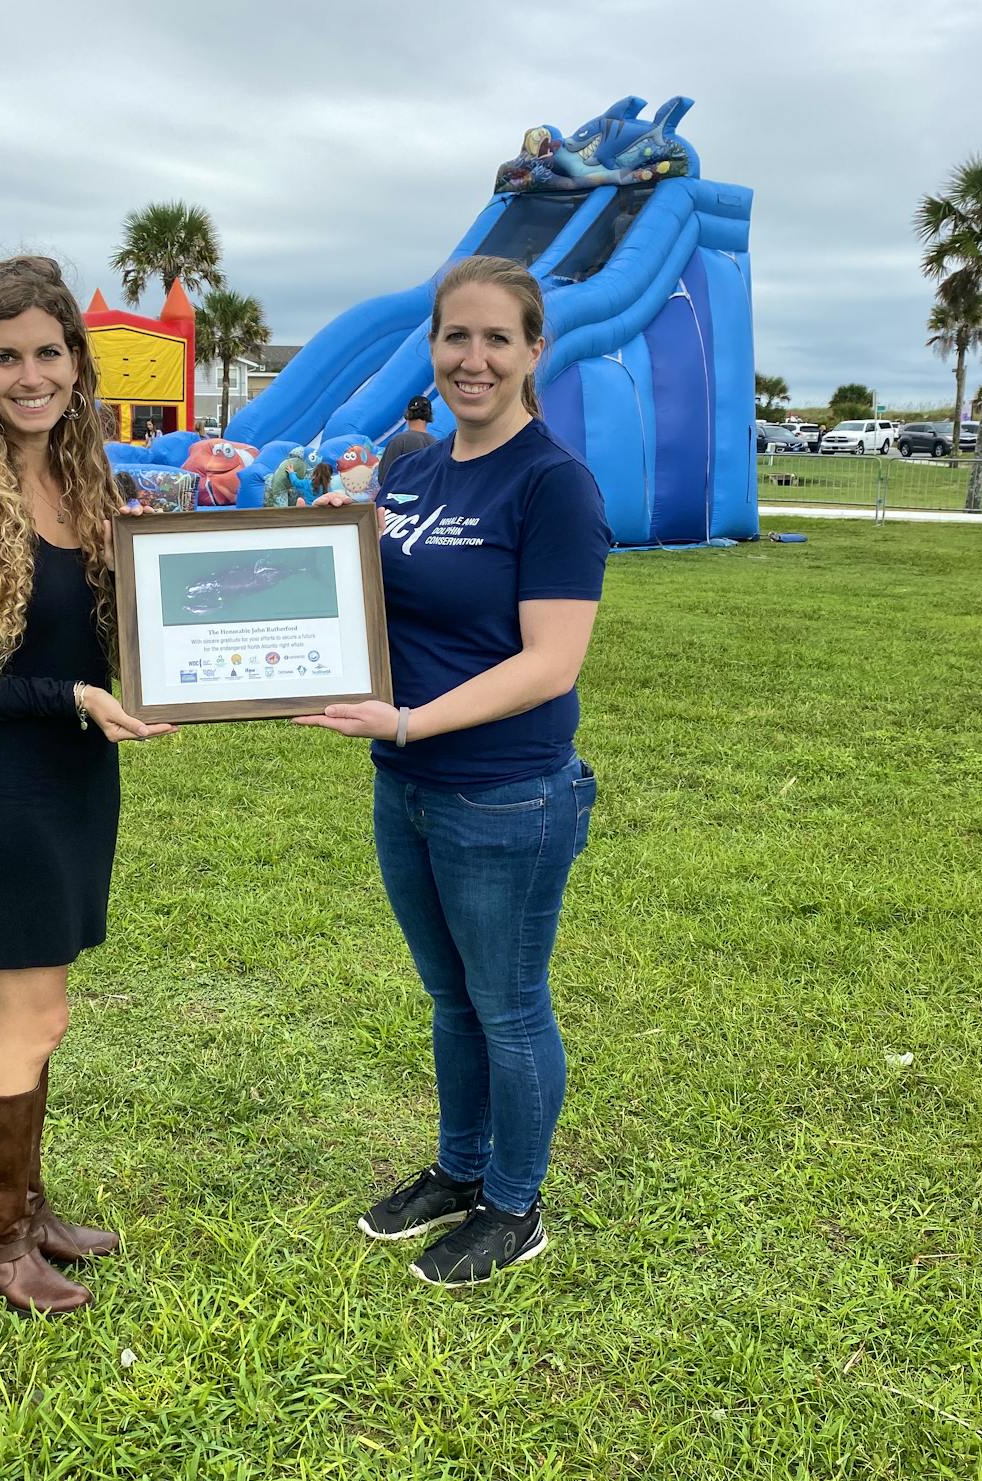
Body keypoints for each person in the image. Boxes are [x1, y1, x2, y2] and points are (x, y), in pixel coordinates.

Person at [298, 255, 610, 1288]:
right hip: (408, 780)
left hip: (503, 790)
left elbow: (549, 662)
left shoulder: (551, 484)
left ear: (532, 352)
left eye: (494, 339)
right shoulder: (414, 465)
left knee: (508, 1004)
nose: (470, 359)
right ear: (431, 347)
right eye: (453, 337)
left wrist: (413, 718)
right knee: (450, 998)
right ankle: (459, 1169)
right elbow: (365, 601)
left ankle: (514, 1208)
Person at [0, 255, 175, 1316]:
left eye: (47, 352)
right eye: (5, 356)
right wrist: (70, 696)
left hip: (79, 780)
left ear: (76, 361)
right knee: (31, 1020)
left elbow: (123, 636)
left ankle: (24, 1206)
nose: (30, 375)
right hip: (8, 790)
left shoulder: (90, 486)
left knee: (42, 1014)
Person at [376, 394, 437, 492]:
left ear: (407, 414)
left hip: (402, 502)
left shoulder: (399, 441)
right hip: (428, 502)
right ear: (429, 416)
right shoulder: (437, 444)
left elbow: (384, 478)